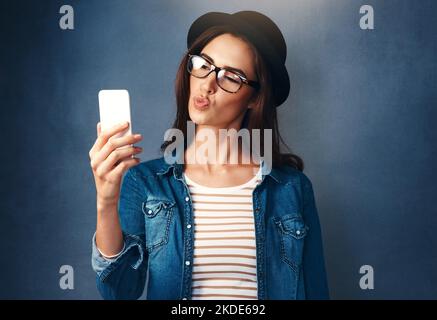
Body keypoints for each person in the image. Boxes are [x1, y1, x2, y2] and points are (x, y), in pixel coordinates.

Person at [89, 10, 329, 300]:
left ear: (254, 97)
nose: (208, 84)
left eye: (231, 77)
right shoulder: (146, 182)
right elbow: (118, 291)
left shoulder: (292, 188)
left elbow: (316, 291)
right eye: (204, 65)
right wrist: (106, 200)